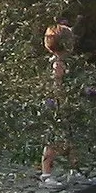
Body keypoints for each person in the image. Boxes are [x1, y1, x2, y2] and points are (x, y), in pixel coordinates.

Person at [39, 22, 75, 183]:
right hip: (56, 106)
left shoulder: (57, 61)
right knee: (53, 141)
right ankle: (46, 174)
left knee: (70, 139)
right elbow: (57, 84)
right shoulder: (57, 64)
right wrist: (61, 103)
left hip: (60, 104)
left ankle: (74, 169)